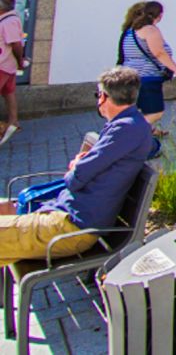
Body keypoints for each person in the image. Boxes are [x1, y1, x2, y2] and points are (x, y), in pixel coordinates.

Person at [0, 67, 153, 267]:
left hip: (71, 226)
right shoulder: (128, 125)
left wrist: (76, 165)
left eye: (98, 95)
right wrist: (83, 163)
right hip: (63, 212)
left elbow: (74, 179)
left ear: (104, 98)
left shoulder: (126, 128)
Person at [118, 1, 176, 133]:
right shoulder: (150, 30)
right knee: (156, 112)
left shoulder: (130, 31)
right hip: (147, 77)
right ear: (159, 16)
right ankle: (132, 133)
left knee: (140, 108)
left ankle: (148, 131)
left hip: (129, 77)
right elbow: (159, 52)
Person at [0, 0, 27, 146]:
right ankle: (13, 121)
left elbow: (16, 44)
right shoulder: (7, 19)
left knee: (8, 92)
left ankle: (8, 126)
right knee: (8, 93)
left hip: (3, 64)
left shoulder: (9, 21)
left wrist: (20, 61)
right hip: (7, 64)